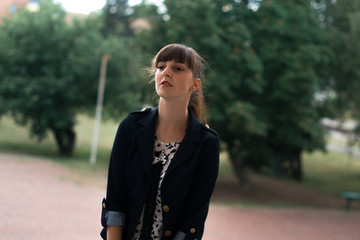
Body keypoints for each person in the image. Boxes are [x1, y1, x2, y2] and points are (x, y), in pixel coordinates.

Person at [102, 43, 220, 240]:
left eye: (178, 68)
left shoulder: (206, 143)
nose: (166, 72)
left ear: (195, 84)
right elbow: (115, 199)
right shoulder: (130, 127)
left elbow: (194, 218)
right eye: (161, 66)